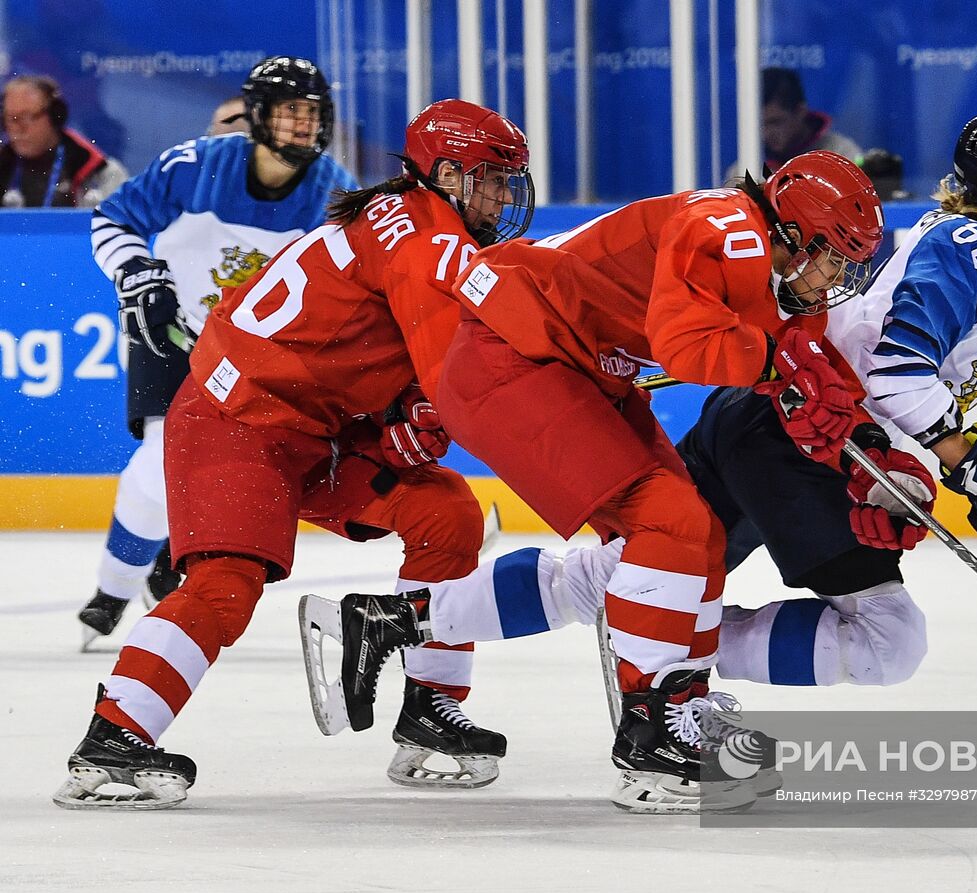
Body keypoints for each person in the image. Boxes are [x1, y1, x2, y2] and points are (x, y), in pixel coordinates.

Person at [306, 111, 977, 785]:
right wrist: (955, 450)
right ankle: (668, 701)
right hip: (788, 434)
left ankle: (412, 625)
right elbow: (892, 370)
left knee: (649, 566)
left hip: (813, 431)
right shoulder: (971, 247)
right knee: (874, 635)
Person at [300, 150, 885, 814]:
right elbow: (685, 343)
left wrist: (867, 448)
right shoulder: (729, 227)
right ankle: (649, 735)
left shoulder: (774, 273)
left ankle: (396, 622)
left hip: (570, 363)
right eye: (833, 255)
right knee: (670, 520)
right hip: (511, 353)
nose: (836, 276)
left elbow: (817, 389)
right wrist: (779, 359)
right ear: (794, 232)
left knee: (694, 536)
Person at [51, 97, 535, 811]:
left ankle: (430, 709)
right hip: (236, 419)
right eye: (492, 177)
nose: (503, 193)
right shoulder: (429, 241)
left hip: (310, 426)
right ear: (449, 174)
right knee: (226, 584)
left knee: (447, 513)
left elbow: (407, 362)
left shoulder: (412, 216)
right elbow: (458, 387)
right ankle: (113, 736)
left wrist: (412, 417)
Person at [76, 56, 354, 652]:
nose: (304, 127)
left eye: (313, 114)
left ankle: (152, 565)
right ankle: (116, 583)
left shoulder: (336, 193)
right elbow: (112, 219)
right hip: (173, 333)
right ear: (256, 118)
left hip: (255, 359)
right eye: (289, 114)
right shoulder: (195, 166)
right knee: (155, 466)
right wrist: (135, 276)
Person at [0, 74, 126, 207]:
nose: (18, 129)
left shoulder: (103, 175)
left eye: (27, 117)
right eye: (11, 118)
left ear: (55, 116)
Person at [724, 67, 864, 183]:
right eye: (760, 124)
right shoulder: (743, 170)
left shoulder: (843, 157)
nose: (766, 133)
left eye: (775, 122)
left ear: (800, 112)